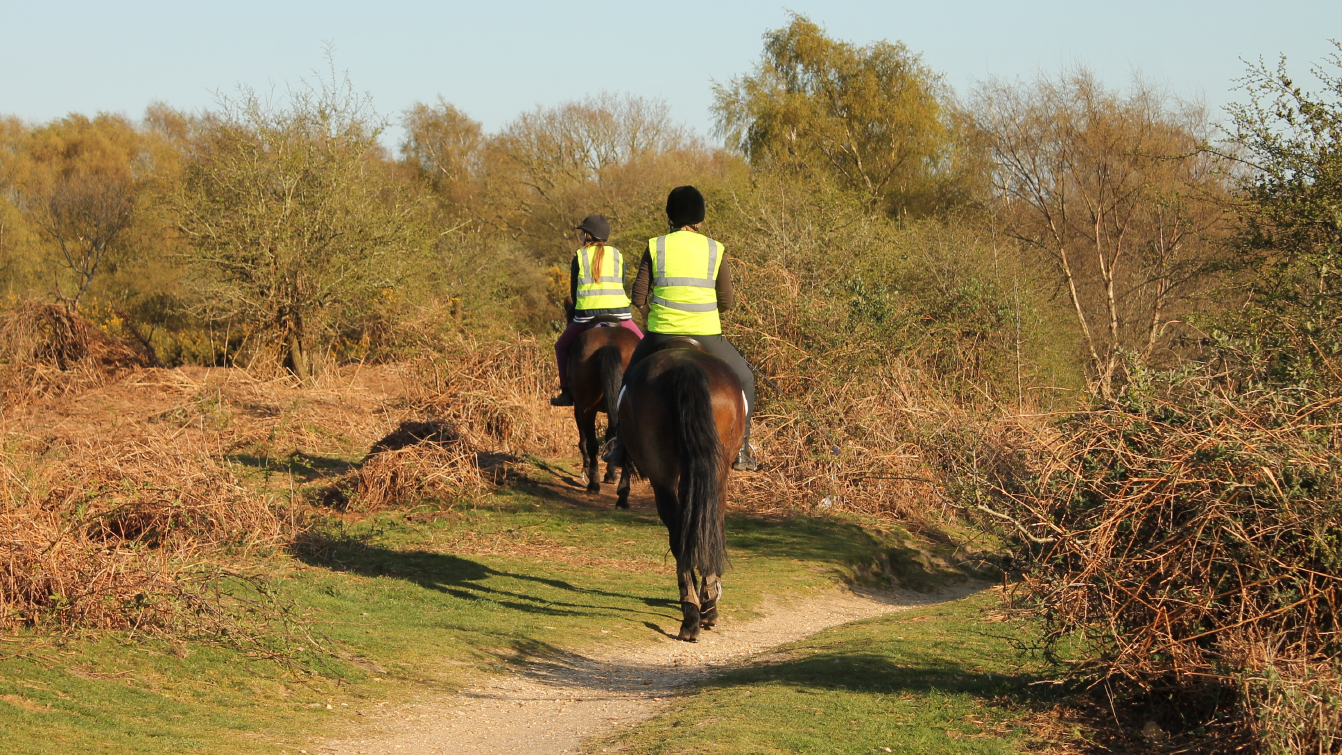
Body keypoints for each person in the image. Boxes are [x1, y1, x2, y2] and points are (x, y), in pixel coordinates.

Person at [603, 185, 758, 471]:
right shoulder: (715, 248)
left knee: (626, 382)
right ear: (699, 217)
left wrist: (654, 317)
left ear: (670, 216)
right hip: (706, 333)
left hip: (661, 332)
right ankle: (743, 450)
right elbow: (728, 301)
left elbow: (638, 296)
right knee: (746, 378)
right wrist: (708, 314)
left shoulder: (656, 245)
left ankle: (620, 447)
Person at [550, 214, 643, 407]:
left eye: (583, 233)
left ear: (589, 235)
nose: (581, 237)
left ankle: (566, 392)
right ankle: (650, 389)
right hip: (620, 313)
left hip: (587, 315)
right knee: (645, 345)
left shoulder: (580, 256)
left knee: (561, 347)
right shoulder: (618, 255)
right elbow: (622, 282)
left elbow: (574, 293)